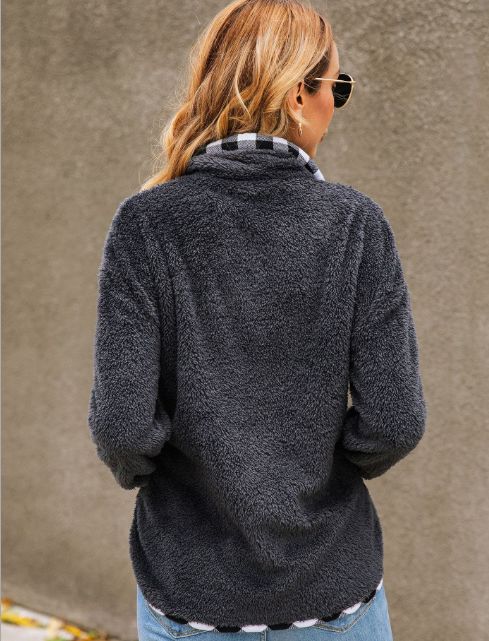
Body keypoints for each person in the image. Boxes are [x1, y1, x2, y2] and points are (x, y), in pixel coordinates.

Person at [87, 1, 427, 640]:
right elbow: (395, 421)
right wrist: (318, 473)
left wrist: (167, 482)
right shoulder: (355, 225)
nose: (336, 104)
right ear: (300, 95)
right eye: (337, 87)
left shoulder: (145, 225)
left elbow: (121, 429)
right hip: (332, 593)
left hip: (191, 598)